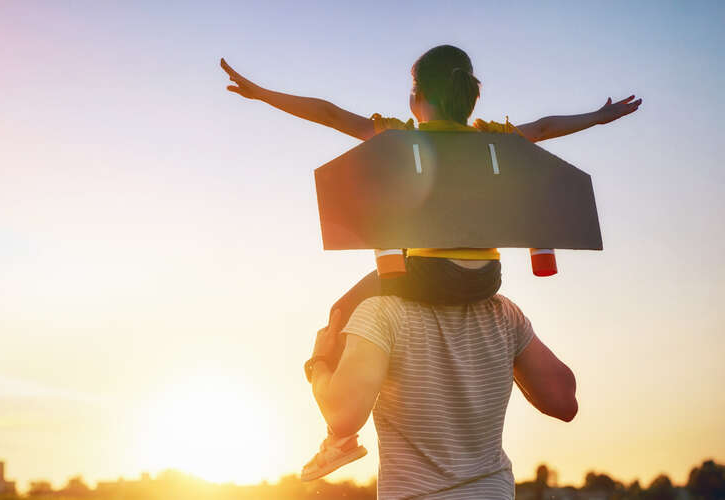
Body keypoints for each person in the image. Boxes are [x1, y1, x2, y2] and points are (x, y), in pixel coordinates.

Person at [221, 45, 640, 498]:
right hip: (485, 280)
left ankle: (337, 441)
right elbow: (544, 127)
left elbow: (329, 113)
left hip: (424, 276)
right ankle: (337, 440)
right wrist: (596, 118)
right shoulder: (492, 140)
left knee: (341, 309)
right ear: (469, 98)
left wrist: (264, 93)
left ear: (416, 98)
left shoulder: (401, 137)